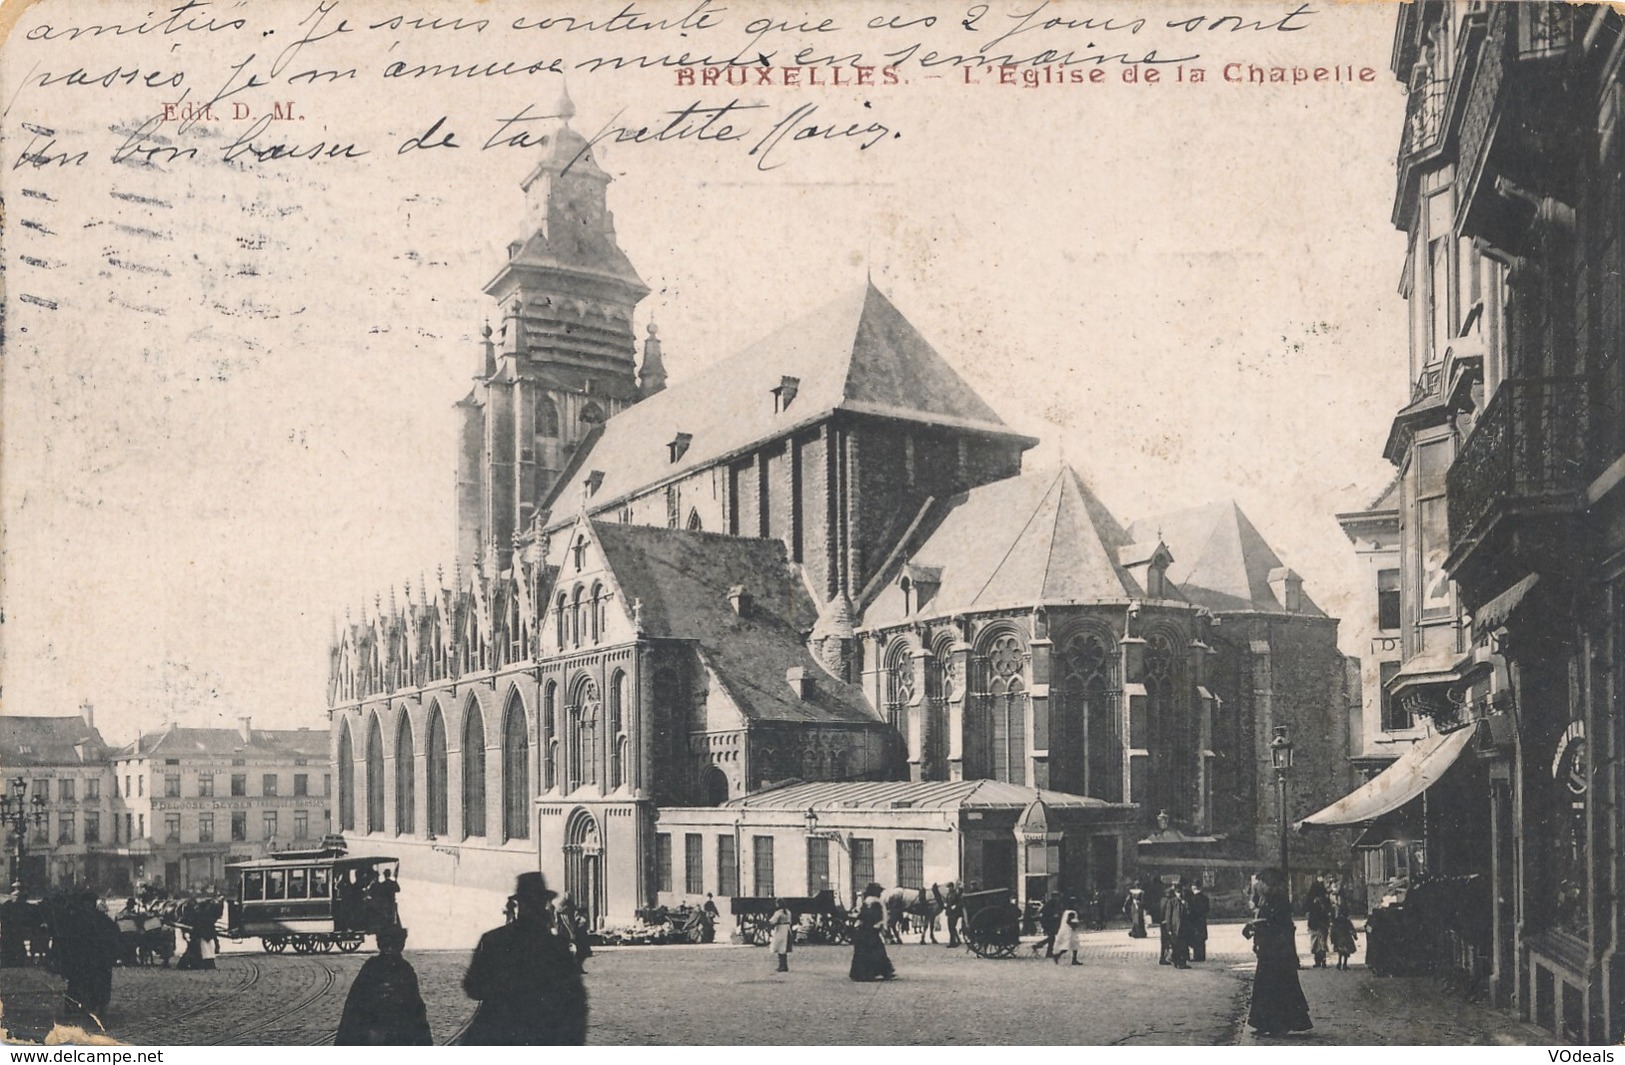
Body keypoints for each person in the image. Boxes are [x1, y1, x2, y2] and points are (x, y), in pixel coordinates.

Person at [460, 873, 588, 1045]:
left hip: (497, 1035)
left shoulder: (493, 940)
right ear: (544, 904)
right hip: (542, 1036)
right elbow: (576, 1002)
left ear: (519, 904)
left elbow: (472, 987)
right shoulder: (556, 947)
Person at [1244, 869, 1313, 1037]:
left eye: (1260, 883)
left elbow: (1277, 924)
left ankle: (1277, 1024)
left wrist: (1256, 924)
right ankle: (1264, 1022)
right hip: (1269, 951)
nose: (1258, 887)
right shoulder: (1267, 900)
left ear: (1268, 884)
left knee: (1277, 988)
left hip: (1278, 952)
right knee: (1267, 987)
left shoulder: (1279, 900)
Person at [336, 926, 433, 1045]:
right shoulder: (402, 969)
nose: (390, 950)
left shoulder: (376, 968)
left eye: (393, 946)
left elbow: (353, 1008)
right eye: (387, 946)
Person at [849, 882, 895, 982]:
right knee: (877, 950)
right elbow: (882, 916)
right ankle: (883, 971)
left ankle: (863, 973)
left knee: (862, 952)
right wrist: (882, 926)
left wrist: (856, 918)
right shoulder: (878, 902)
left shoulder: (867, 901)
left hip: (865, 930)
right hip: (873, 930)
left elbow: (863, 915)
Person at [1305, 880, 1334, 969]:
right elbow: (1329, 910)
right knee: (1322, 942)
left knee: (1315, 942)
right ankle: (1323, 960)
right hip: (1322, 923)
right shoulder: (1324, 899)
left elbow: (1307, 909)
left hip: (1314, 923)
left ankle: (1317, 961)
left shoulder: (1311, 900)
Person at [1159, 884, 1189, 969]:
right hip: (1175, 927)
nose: (1180, 894)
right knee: (1176, 945)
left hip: (1183, 926)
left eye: (1181, 892)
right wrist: (1169, 928)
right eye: (1178, 892)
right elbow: (1168, 916)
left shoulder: (1184, 901)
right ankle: (1178, 962)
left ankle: (1182, 962)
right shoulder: (1172, 901)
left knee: (1183, 945)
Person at [1330, 896, 1359, 971]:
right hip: (1346, 938)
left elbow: (1332, 930)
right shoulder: (1346, 921)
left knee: (1340, 952)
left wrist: (1332, 939)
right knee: (1346, 952)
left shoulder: (1336, 921)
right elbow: (1351, 928)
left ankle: (1339, 963)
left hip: (1338, 938)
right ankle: (1344, 964)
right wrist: (1354, 935)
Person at [1052, 896, 1083, 966]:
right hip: (1069, 931)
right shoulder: (1072, 912)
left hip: (1065, 929)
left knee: (1073, 945)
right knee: (1069, 945)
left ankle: (1074, 959)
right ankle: (1057, 955)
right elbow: (1069, 921)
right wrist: (1074, 925)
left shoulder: (1066, 911)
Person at [1185, 881, 1211, 962]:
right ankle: (1202, 956)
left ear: (1193, 888)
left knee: (1196, 939)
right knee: (1202, 939)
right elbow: (1207, 909)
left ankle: (1197, 956)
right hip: (1202, 920)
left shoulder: (1192, 899)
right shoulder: (1205, 898)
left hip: (1194, 921)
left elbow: (1190, 911)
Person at [768, 899, 793, 973]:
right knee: (784, 948)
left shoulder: (778, 912)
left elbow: (773, 921)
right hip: (787, 929)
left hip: (780, 930)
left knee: (780, 947)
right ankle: (784, 965)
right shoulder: (788, 912)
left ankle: (782, 966)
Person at [1038, 892, 1062, 958]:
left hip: (1050, 922)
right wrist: (1052, 915)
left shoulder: (1055, 903)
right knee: (1052, 937)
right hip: (1047, 922)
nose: (1057, 898)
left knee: (1052, 937)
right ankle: (1048, 952)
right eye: (1056, 896)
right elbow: (1042, 911)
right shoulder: (1051, 903)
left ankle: (1041, 946)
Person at [942, 882, 964, 948]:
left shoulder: (956, 894)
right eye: (948, 887)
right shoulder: (948, 894)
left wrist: (955, 906)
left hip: (955, 913)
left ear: (952, 887)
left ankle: (953, 942)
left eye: (949, 887)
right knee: (950, 928)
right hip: (949, 913)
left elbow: (960, 902)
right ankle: (955, 941)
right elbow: (946, 901)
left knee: (952, 927)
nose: (948, 888)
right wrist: (945, 904)